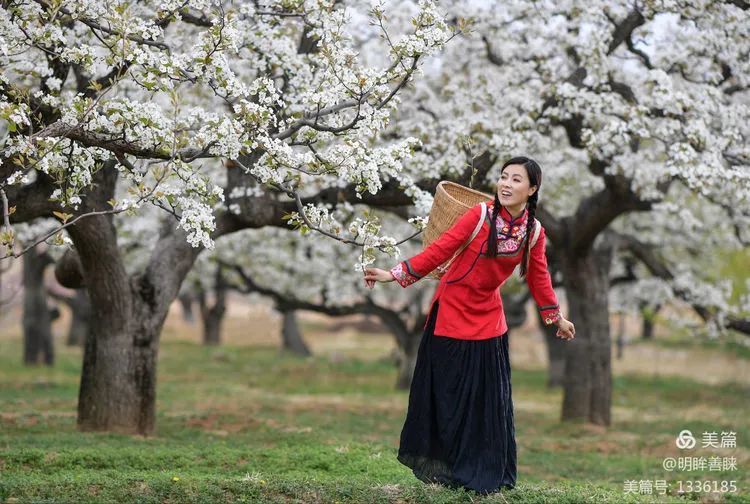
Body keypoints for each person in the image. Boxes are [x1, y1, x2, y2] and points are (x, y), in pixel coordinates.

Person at [363, 156, 576, 494]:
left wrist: (555, 318)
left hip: (489, 321)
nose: (506, 184)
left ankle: (480, 472)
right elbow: (440, 249)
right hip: (450, 314)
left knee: (485, 404)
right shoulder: (478, 216)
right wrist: (396, 274)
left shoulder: (533, 232)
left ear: (532, 189)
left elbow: (539, 276)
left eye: (516, 180)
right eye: (503, 177)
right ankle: (446, 469)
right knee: (447, 398)